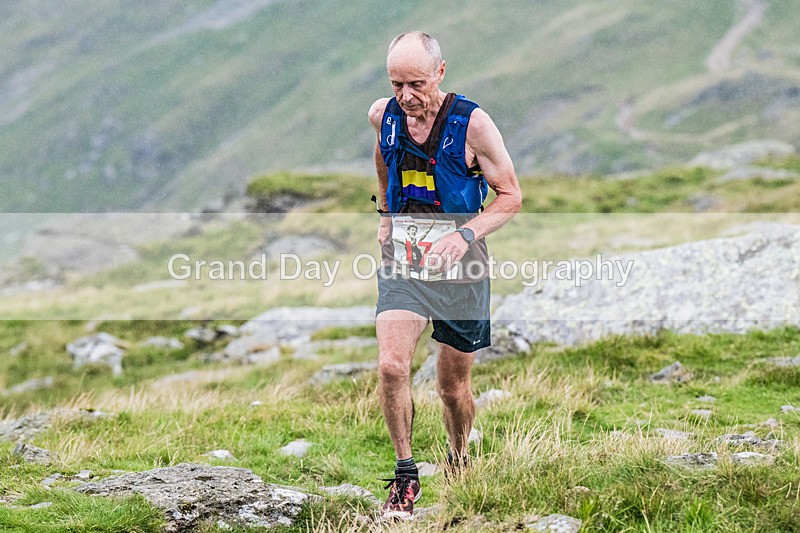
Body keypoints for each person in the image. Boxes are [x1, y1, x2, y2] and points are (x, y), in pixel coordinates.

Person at [367, 31, 521, 519]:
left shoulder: (472, 124)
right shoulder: (383, 115)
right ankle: (405, 475)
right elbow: (383, 155)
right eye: (397, 84)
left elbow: (511, 196)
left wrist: (465, 235)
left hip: (462, 270)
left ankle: (459, 459)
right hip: (404, 263)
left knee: (452, 389)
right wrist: (386, 213)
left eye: (416, 84)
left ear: (440, 71)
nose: (406, 96)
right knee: (392, 366)